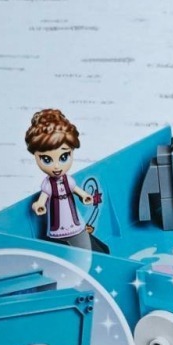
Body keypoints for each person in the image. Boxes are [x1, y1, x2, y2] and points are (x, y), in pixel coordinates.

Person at [25, 108, 108, 253]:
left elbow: (76, 190)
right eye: (47, 159)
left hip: (73, 223)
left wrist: (85, 196)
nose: (57, 166)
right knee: (66, 243)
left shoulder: (67, 180)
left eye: (64, 157)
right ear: (36, 156)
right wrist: (39, 205)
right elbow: (43, 198)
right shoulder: (48, 185)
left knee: (93, 246)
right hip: (57, 227)